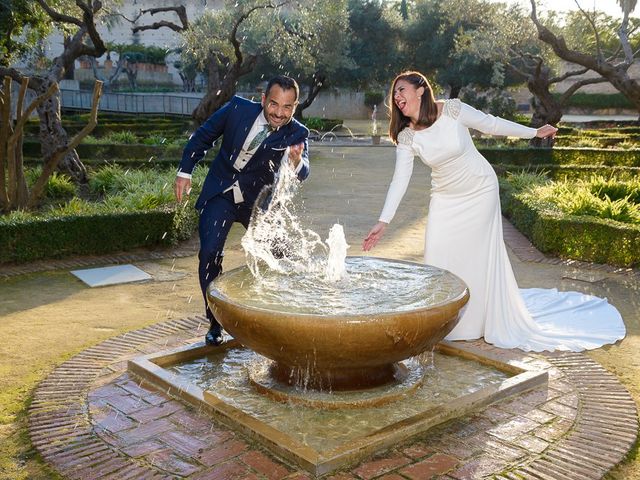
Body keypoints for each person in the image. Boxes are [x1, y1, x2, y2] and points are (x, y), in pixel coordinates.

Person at [362, 70, 625, 352]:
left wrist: (533, 132)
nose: (397, 97)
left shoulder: (453, 109)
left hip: (480, 190)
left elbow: (491, 124)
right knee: (439, 256)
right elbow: (399, 180)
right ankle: (448, 322)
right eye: (395, 93)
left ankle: (479, 322)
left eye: (401, 90)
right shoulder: (406, 137)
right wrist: (383, 221)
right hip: (445, 199)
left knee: (478, 256)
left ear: (421, 90)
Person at [175, 75, 309, 346]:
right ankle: (215, 322)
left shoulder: (297, 133)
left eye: (287, 107)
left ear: (295, 107)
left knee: (283, 254)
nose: (279, 113)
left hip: (259, 204)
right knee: (210, 253)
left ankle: (287, 313)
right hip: (220, 194)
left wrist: (295, 161)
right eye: (274, 104)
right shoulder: (236, 108)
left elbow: (305, 170)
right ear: (263, 99)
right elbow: (203, 136)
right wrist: (185, 172)